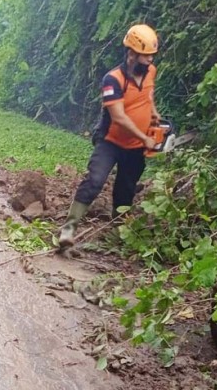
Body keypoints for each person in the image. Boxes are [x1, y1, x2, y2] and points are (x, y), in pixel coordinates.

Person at [58, 24, 161, 249]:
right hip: (111, 142)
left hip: (135, 147)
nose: (149, 62)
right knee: (95, 180)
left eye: (151, 57)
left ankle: (118, 234)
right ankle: (69, 227)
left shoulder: (151, 72)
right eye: (145, 57)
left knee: (126, 189)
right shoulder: (113, 79)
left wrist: (154, 116)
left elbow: (148, 96)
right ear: (132, 54)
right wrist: (145, 139)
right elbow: (120, 118)